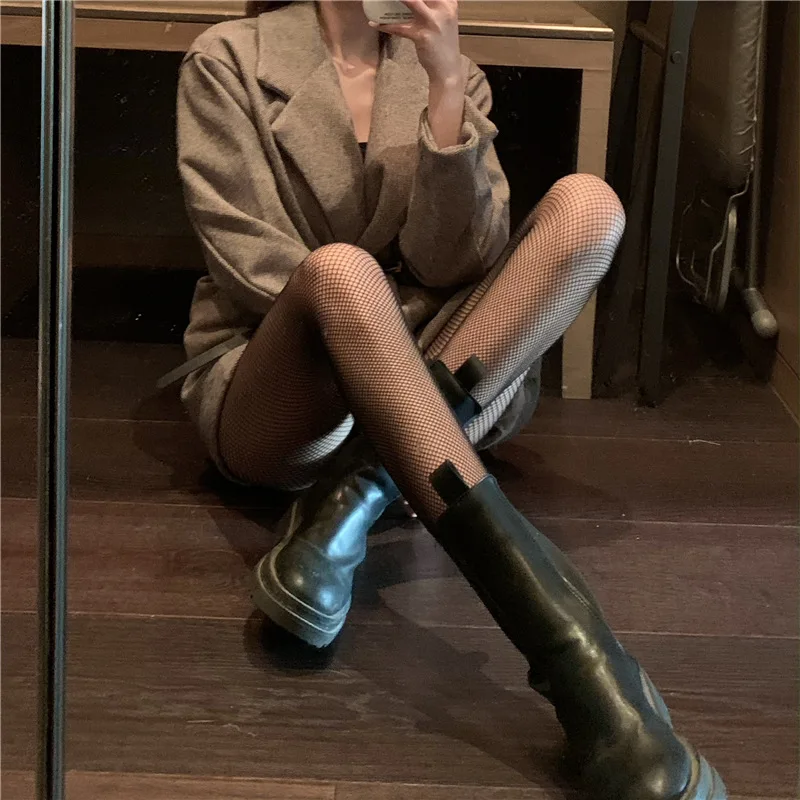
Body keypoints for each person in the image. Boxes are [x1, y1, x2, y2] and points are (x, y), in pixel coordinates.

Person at [174, 1, 726, 798]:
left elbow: (458, 263)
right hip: (282, 394)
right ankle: (583, 662)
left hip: (430, 378)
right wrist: (377, 329)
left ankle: (354, 494)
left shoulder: (454, 72)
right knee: (341, 274)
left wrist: (442, 90)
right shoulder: (227, 58)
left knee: (588, 207)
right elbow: (247, 260)